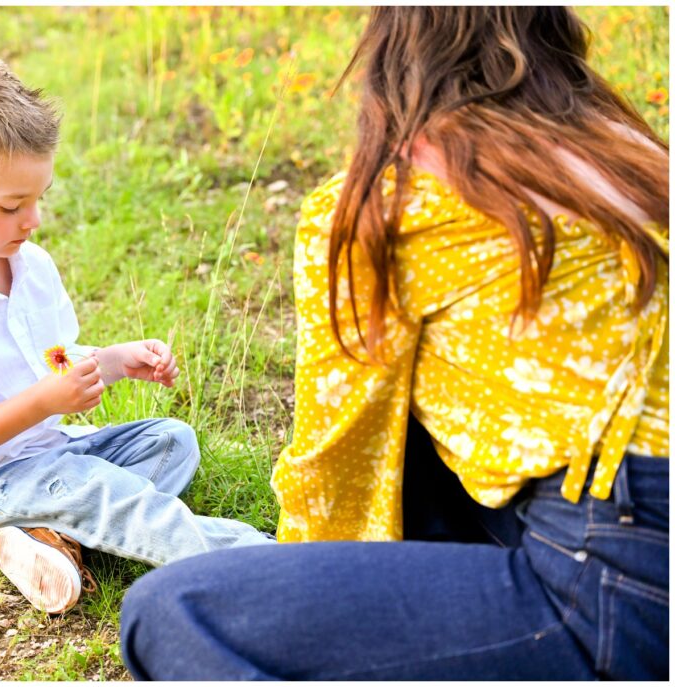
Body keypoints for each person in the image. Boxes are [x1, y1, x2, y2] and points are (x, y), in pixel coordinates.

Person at [121, 7, 668, 679]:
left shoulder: (388, 203)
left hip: (618, 575)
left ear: (392, 51)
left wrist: (310, 603)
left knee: (170, 612)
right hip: (620, 516)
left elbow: (336, 468)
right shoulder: (635, 152)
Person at [0, 57, 273, 616]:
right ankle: (266, 562)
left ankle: (47, 539)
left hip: (44, 455)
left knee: (171, 441)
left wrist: (110, 361)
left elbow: (53, 360)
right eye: (12, 206)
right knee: (101, 489)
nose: (32, 219)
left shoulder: (30, 266)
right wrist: (43, 403)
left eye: (39, 198)